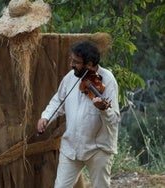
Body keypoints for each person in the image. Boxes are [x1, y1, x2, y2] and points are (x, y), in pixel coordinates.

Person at [37, 41, 120, 188]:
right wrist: (46, 117)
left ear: (89, 64)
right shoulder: (70, 77)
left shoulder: (108, 80)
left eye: (76, 62)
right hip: (72, 146)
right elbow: (58, 100)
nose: (71, 64)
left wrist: (103, 109)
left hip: (98, 148)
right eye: (71, 60)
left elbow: (113, 119)